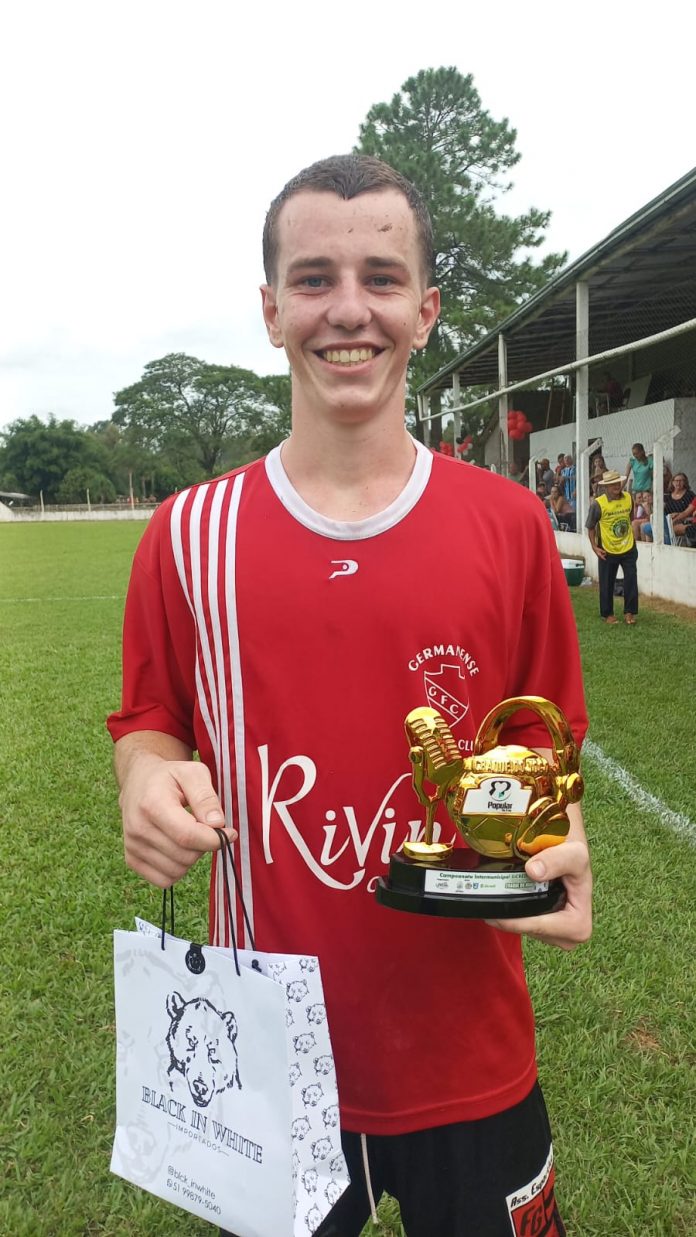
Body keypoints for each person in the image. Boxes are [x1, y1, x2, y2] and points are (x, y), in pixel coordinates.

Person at [107, 154, 591, 1237]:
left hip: (470, 1051)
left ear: (425, 310)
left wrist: (563, 845)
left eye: (381, 277)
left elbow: (545, 747)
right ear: (272, 310)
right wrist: (144, 779)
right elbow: (151, 721)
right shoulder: (188, 535)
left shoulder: (511, 528)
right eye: (315, 278)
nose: (348, 309)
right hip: (261, 1054)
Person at [585, 470, 637, 624]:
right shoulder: (598, 504)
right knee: (607, 582)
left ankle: (629, 613)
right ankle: (608, 614)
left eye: (617, 482)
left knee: (631, 580)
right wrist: (594, 547)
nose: (616, 486)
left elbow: (630, 518)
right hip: (607, 549)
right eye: (612, 484)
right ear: (605, 486)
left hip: (628, 547)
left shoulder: (628, 498)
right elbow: (590, 527)